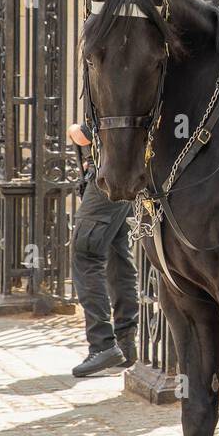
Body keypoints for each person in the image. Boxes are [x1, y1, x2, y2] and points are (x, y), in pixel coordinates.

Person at [67, 119, 139, 378]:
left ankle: (102, 345)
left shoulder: (110, 76)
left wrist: (76, 130)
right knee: (118, 258)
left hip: (108, 175)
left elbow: (87, 133)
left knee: (85, 253)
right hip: (126, 171)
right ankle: (125, 346)